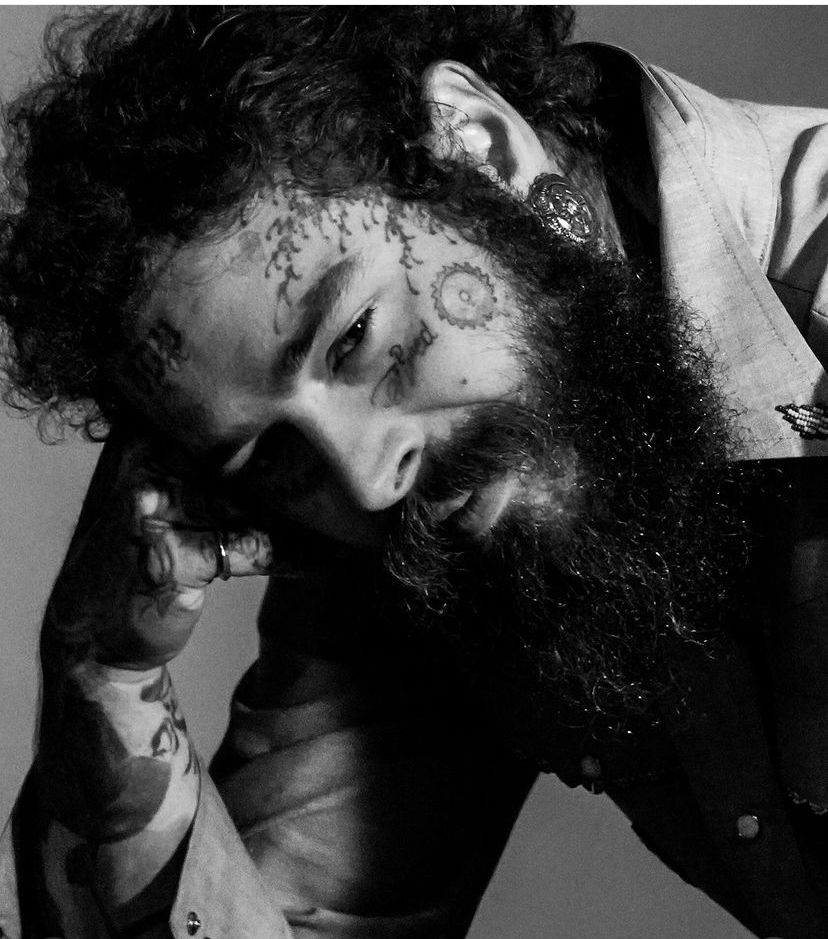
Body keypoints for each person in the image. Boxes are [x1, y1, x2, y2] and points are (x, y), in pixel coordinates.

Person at [0, 6, 826, 937]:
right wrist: (103, 674)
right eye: (272, 452)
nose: (367, 477)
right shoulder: (441, 535)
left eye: (355, 338)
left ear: (485, 146)